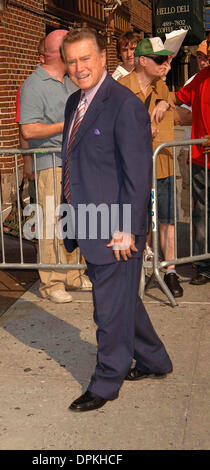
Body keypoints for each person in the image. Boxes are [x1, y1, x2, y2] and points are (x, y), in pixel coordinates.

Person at [60, 27, 172, 412]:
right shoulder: (73, 101)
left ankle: (107, 380)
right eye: (72, 61)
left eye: (85, 58)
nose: (79, 67)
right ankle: (155, 359)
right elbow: (73, 162)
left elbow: (138, 175)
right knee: (124, 301)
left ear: (103, 58)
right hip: (88, 221)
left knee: (107, 310)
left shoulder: (123, 104)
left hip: (115, 229)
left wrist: (126, 229)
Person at [19, 29, 92, 304]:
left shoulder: (70, 81)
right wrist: (67, 123)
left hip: (75, 162)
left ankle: (73, 275)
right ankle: (51, 283)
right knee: (50, 222)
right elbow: (28, 129)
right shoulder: (34, 85)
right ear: (55, 53)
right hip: (50, 163)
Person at [119, 37, 183, 298]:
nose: (164, 63)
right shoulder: (120, 89)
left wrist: (166, 101)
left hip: (163, 165)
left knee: (167, 222)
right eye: (159, 59)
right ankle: (138, 270)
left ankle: (169, 271)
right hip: (134, 170)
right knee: (138, 225)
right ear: (142, 61)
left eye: (166, 59)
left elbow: (178, 103)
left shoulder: (162, 88)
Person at [172, 33, 210, 285]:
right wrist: (161, 102)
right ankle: (204, 266)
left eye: (205, 55)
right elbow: (178, 98)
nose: (202, 60)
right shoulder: (200, 80)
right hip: (200, 161)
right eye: (199, 55)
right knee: (202, 214)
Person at [15, 37, 46, 204]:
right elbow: (23, 129)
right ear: (42, 57)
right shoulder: (29, 87)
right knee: (43, 208)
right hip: (40, 160)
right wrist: (27, 161)